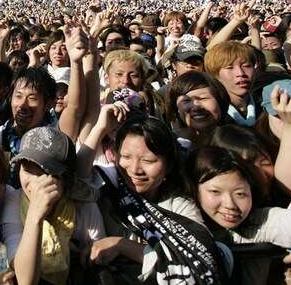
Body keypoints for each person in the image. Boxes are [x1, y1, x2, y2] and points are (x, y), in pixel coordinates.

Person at [79, 115, 226, 283]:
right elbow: (78, 180)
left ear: (169, 165)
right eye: (126, 157)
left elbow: (196, 258)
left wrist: (121, 246)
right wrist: (99, 128)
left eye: (148, 160)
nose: (134, 169)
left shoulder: (180, 206)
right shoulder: (111, 184)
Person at [186, 141, 291, 284]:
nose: (230, 204)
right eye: (215, 192)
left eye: (240, 193)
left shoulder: (259, 222)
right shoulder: (179, 222)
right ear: (194, 190)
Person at [2, 126, 105, 285]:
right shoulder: (14, 202)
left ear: (64, 178)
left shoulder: (84, 208)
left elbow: (99, 265)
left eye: (44, 174)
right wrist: (35, 217)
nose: (34, 184)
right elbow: (26, 281)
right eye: (27, 171)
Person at [164, 71, 230, 148]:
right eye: (186, 101)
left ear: (220, 101)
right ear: (177, 108)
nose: (196, 107)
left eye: (203, 98)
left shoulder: (236, 140)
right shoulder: (168, 145)